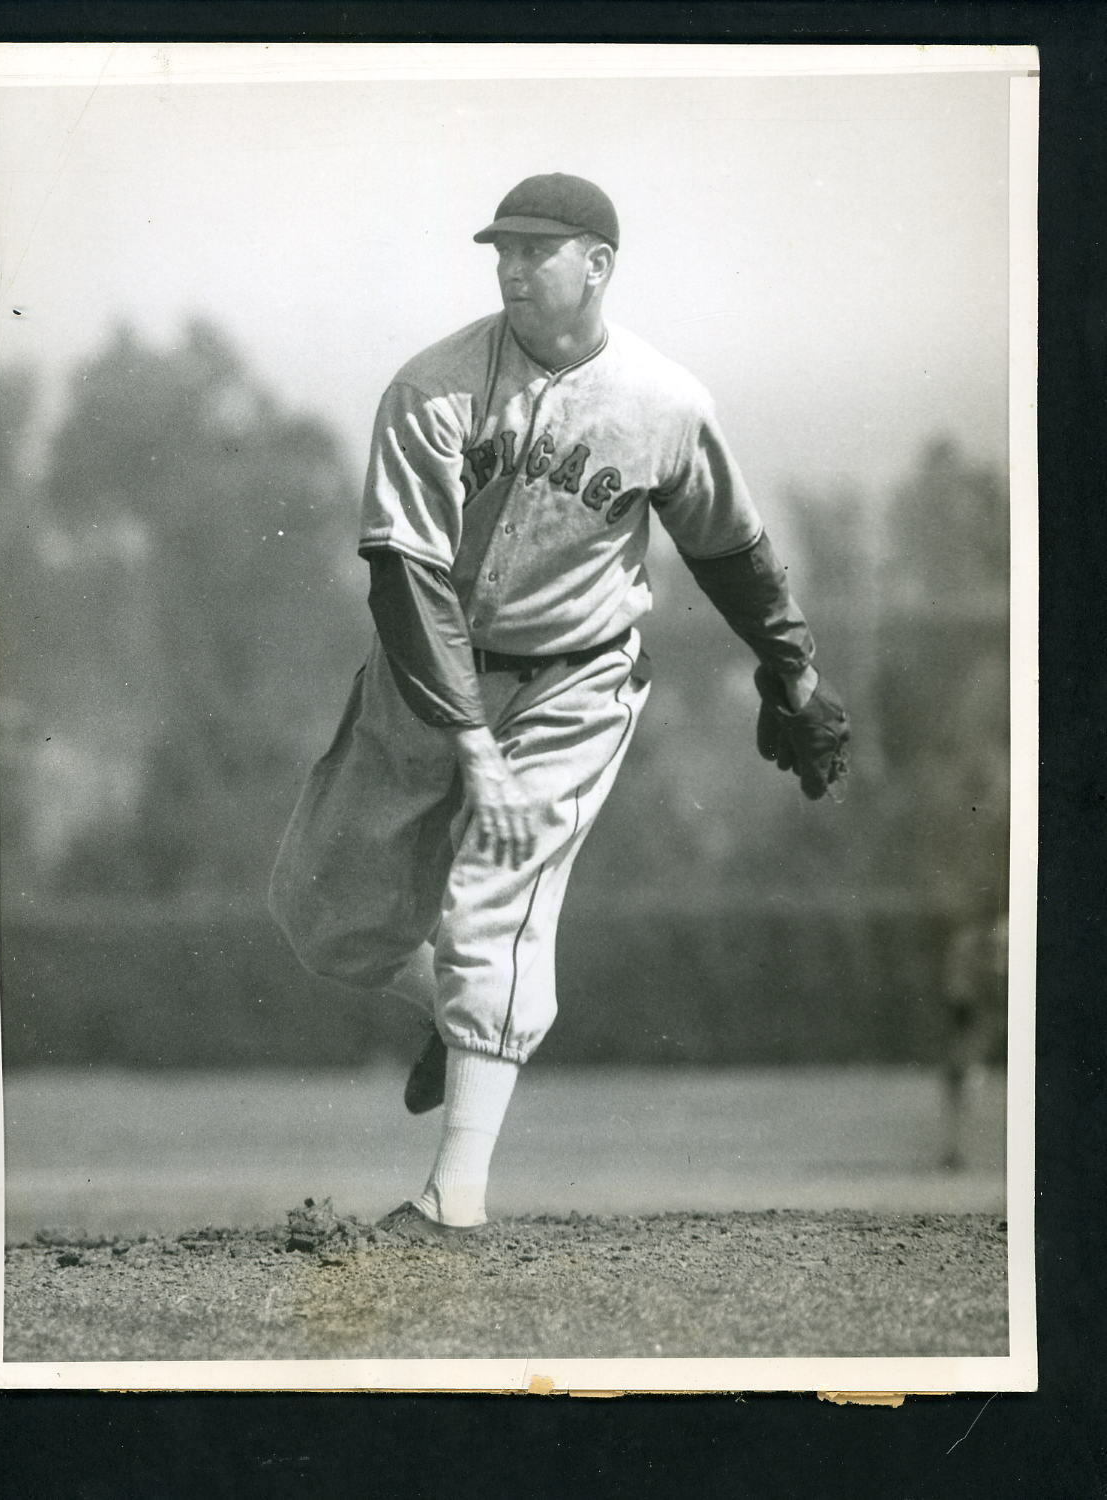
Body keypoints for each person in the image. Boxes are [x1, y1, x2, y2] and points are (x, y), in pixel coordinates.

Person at [270, 173, 850, 1240]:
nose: (512, 267)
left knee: (495, 899)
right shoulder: (432, 387)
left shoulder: (664, 400)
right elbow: (403, 576)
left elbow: (730, 548)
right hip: (428, 666)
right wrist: (469, 745)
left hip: (575, 678)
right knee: (321, 909)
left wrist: (794, 672)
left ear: (599, 265)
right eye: (503, 249)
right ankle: (457, 1012)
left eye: (538, 248)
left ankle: (455, 1198)